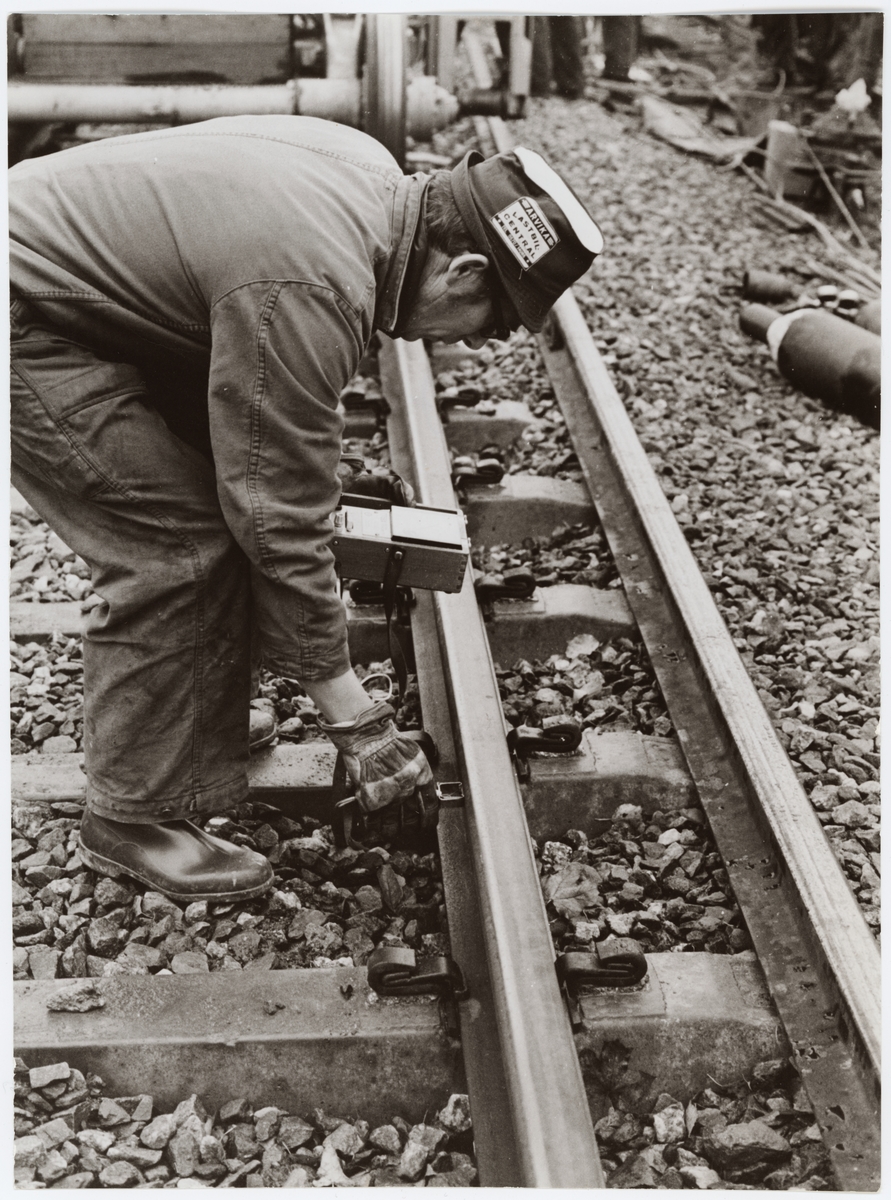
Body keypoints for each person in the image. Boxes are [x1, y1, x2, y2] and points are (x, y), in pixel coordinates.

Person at [9, 115, 602, 902]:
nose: (476, 344)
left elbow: (265, 468)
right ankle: (132, 819)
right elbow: (278, 514)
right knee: (175, 545)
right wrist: (351, 714)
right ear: (463, 272)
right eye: (492, 326)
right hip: (25, 318)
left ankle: (194, 730)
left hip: (63, 290)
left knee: (215, 500)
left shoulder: (367, 175)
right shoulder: (315, 282)